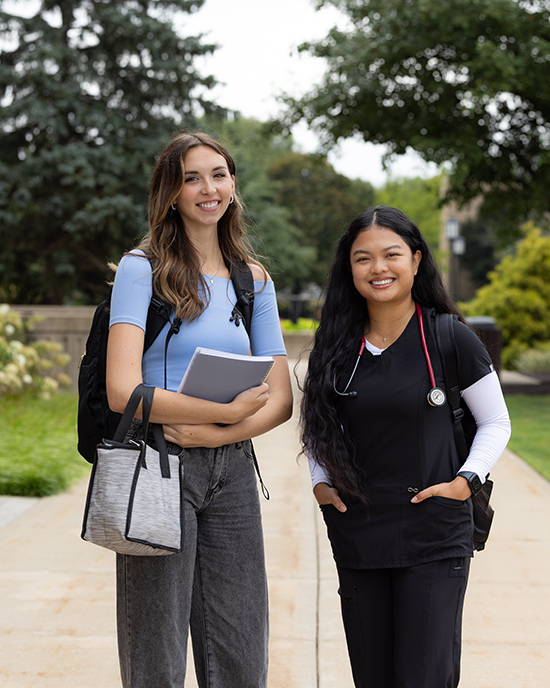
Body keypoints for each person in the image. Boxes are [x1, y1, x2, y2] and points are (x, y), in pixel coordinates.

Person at [105, 131, 293, 688]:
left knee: (240, 645)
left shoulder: (254, 280)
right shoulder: (143, 268)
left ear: (233, 185)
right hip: (158, 464)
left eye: (219, 174)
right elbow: (122, 390)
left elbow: (280, 398)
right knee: (156, 648)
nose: (208, 188)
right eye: (191, 177)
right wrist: (218, 417)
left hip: (232, 468)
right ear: (170, 192)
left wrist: (222, 426)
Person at [300, 206, 511, 688]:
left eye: (391, 254)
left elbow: (495, 422)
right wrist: (320, 483)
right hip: (358, 532)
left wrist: (465, 482)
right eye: (363, 258)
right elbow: (318, 426)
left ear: (416, 261)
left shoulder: (449, 337)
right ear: (347, 269)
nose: (379, 268)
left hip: (433, 534)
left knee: (424, 676)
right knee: (372, 677)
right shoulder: (335, 347)